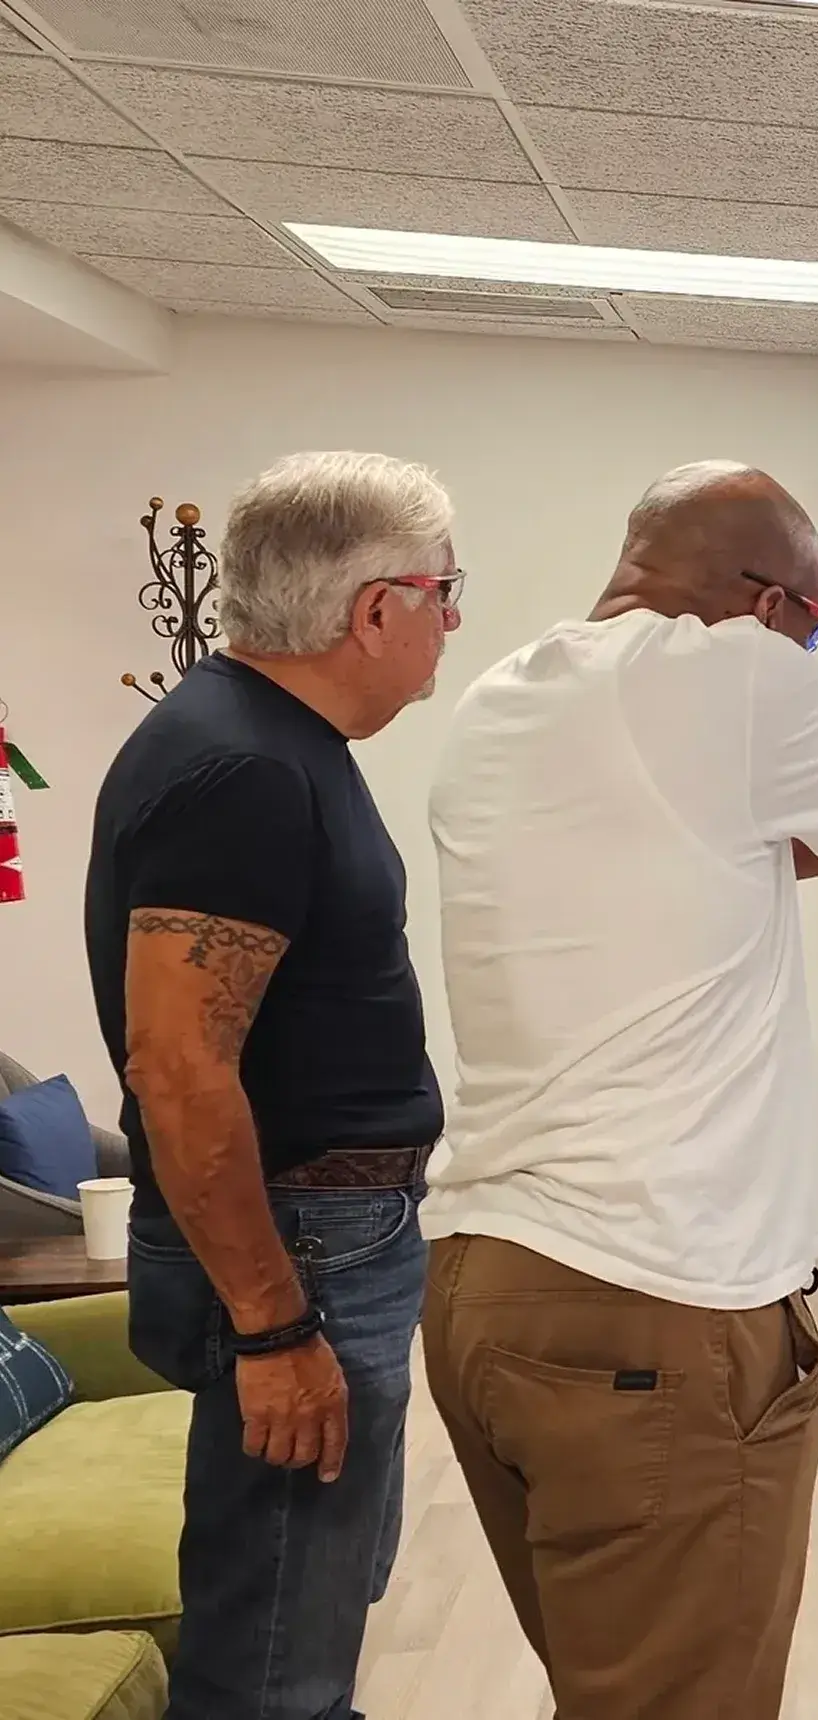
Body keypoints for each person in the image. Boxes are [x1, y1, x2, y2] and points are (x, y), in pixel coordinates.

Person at [420, 460, 818, 1720]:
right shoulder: (723, 671)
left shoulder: (514, 698)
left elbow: (779, 841)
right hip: (658, 1309)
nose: (815, 656)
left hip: (492, 1292)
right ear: (773, 609)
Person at [84, 451, 463, 1720]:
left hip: (326, 1238)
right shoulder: (244, 766)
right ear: (373, 609)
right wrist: (274, 1327)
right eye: (445, 593)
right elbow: (182, 1072)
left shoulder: (264, 738)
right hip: (299, 1253)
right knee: (273, 1658)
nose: (453, 623)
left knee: (312, 1603)